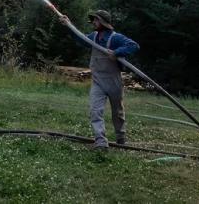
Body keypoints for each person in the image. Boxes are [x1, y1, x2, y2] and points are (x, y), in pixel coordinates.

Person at [58, 10, 140, 149]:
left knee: (118, 113)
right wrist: (69, 25)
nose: (93, 22)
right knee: (95, 110)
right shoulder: (94, 36)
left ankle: (121, 137)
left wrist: (116, 52)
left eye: (96, 20)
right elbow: (80, 39)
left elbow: (134, 46)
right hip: (98, 81)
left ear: (103, 22)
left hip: (113, 81)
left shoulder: (115, 38)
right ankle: (101, 141)